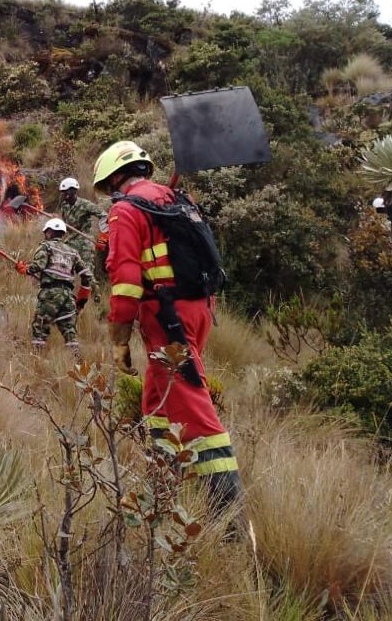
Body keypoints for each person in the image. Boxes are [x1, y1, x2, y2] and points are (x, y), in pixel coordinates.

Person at [93, 140, 242, 514]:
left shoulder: (126, 210)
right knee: (156, 395)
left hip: (167, 319)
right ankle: (166, 474)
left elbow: (125, 281)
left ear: (114, 180)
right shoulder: (175, 199)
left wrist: (119, 340)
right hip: (200, 309)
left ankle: (225, 505)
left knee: (190, 401)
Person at [15, 218, 92, 354]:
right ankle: (78, 366)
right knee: (70, 333)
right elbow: (87, 275)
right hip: (68, 297)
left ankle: (36, 362)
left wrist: (25, 269)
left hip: (50, 294)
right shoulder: (72, 252)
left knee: (40, 328)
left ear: (49, 232)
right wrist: (81, 300)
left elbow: (39, 265)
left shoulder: (46, 246)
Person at [59, 176, 106, 309]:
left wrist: (103, 236)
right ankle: (67, 300)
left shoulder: (85, 204)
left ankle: (98, 302)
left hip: (85, 241)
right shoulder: (64, 206)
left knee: (87, 273)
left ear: (74, 191)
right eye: (63, 193)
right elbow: (67, 226)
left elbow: (103, 215)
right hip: (71, 241)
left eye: (66, 192)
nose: (64, 195)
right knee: (63, 269)